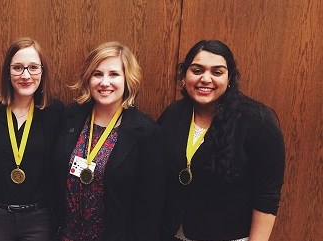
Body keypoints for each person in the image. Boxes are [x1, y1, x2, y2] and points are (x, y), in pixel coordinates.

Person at [158, 40, 285, 241]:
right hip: (172, 234)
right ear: (184, 76)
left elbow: (267, 196)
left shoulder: (258, 121)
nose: (205, 79)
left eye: (217, 72)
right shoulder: (173, 114)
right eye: (197, 70)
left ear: (230, 79)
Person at [50, 42, 164, 241]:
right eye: (97, 74)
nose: (104, 82)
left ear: (128, 79)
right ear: (88, 79)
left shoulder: (146, 132)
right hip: (66, 235)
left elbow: (148, 204)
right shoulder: (70, 116)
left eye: (114, 74)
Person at [0, 37, 63, 240]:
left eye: (33, 67)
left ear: (42, 71)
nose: (25, 75)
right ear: (8, 72)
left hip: (39, 218)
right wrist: (0, 167)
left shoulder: (55, 113)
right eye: (18, 68)